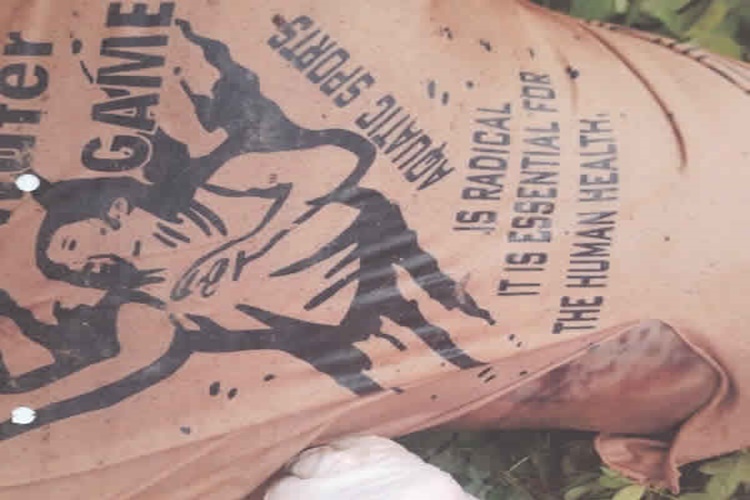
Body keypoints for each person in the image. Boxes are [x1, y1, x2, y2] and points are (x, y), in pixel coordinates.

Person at [0, 0, 746, 498]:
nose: (106, 267)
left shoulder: (230, 181)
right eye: (93, 271)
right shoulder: (156, 312)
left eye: (96, 246)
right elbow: (112, 373)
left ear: (121, 205)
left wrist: (244, 242)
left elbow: (339, 161)